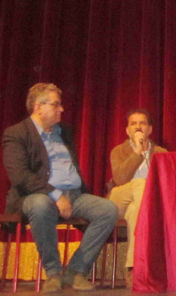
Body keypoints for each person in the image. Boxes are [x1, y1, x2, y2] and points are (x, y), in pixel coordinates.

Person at [2, 83, 118, 292]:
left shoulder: (64, 131)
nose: (61, 109)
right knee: (39, 205)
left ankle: (75, 271)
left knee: (108, 210)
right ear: (38, 107)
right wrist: (55, 195)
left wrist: (69, 194)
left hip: (74, 195)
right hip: (38, 195)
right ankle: (53, 272)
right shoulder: (17, 134)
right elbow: (20, 177)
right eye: (56, 105)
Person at [109, 108, 167, 288]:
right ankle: (143, 265)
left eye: (142, 123)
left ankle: (134, 268)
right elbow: (119, 179)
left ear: (150, 129)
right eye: (133, 123)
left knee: (136, 211)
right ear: (127, 130)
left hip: (140, 204)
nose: (138, 127)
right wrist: (137, 153)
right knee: (141, 183)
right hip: (119, 199)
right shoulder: (118, 151)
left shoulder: (161, 152)